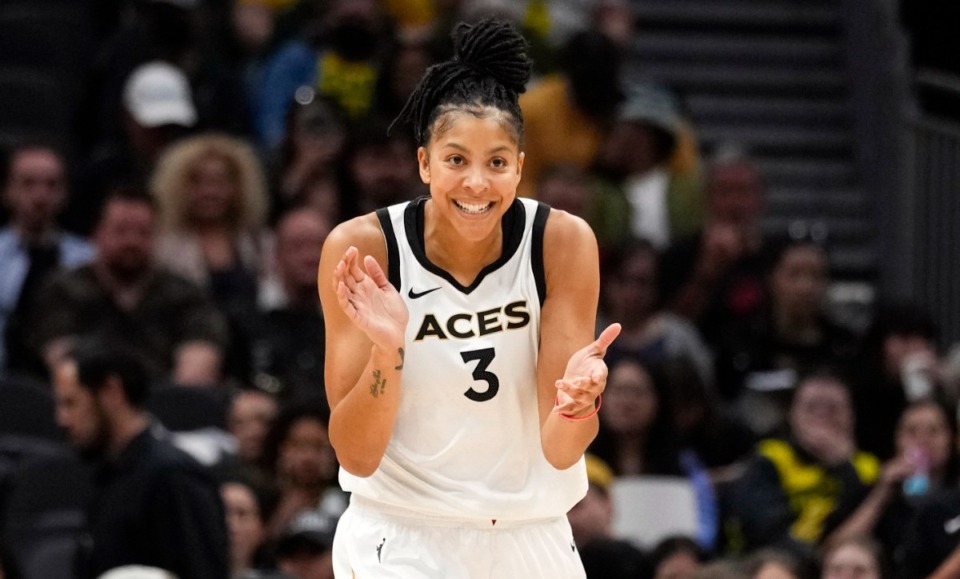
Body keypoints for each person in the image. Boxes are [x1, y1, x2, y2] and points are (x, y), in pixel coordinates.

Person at [316, 18, 621, 577]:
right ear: (424, 163)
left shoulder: (561, 242)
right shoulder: (365, 248)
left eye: (497, 163)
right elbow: (356, 455)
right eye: (456, 160)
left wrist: (578, 403)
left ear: (521, 167)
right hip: (402, 534)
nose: (477, 184)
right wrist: (389, 352)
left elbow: (559, 449)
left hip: (532, 535)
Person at [52, 339, 230, 579]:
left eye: (70, 403)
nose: (62, 419)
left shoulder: (173, 476)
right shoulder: (110, 474)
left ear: (112, 392)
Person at [27, 188, 229, 385]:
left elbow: (201, 360)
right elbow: (63, 361)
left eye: (143, 232)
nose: (132, 241)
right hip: (87, 405)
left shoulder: (184, 294)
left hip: (167, 407)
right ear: (97, 234)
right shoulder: (62, 290)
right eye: (121, 230)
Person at [0, 140, 95, 376]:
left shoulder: (89, 258)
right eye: (28, 184)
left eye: (51, 185)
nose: (40, 196)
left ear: (65, 194)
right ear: (7, 191)